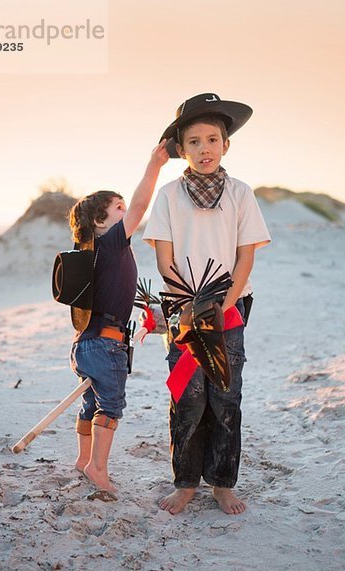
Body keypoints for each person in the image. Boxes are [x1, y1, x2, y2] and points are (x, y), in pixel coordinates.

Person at [143, 93, 271, 514]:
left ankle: (221, 482)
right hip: (183, 309)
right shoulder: (168, 196)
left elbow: (245, 255)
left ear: (226, 145)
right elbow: (165, 258)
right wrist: (189, 305)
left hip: (229, 306)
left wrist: (224, 305)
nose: (204, 149)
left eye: (212, 140)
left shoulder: (240, 193)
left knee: (225, 395)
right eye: (194, 141)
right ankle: (185, 482)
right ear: (182, 149)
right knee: (188, 396)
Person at [69, 139, 169, 497]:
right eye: (118, 208)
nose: (127, 213)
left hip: (84, 344)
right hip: (107, 344)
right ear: (100, 220)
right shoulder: (110, 242)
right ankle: (98, 467)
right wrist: (155, 165)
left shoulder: (89, 253)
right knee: (110, 406)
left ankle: (83, 460)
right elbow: (142, 205)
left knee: (91, 403)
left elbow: (112, 292)